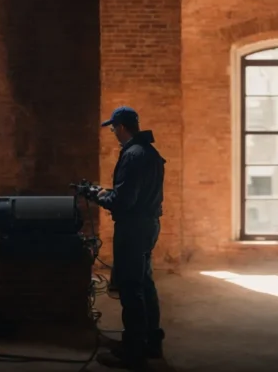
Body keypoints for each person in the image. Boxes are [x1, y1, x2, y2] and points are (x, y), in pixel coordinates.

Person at [94, 106, 166, 369]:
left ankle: (133, 352)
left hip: (133, 228)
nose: (113, 133)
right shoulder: (151, 153)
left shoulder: (132, 155)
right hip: (149, 224)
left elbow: (124, 200)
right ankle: (152, 343)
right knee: (145, 283)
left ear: (122, 127)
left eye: (114, 128)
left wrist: (102, 197)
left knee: (130, 288)